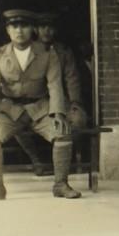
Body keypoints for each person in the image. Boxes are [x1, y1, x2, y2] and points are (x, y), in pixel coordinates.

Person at [0, 9, 81, 200]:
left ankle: (61, 184)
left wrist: (58, 113)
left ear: (32, 29)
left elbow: (55, 84)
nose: (19, 31)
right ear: (8, 30)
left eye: (24, 26)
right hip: (10, 110)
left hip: (39, 108)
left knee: (63, 133)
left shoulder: (47, 54)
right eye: (14, 26)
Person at [15, 11, 88, 175]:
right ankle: (37, 161)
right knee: (14, 121)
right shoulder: (27, 50)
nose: (46, 31)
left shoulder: (63, 51)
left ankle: (66, 163)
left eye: (50, 27)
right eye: (42, 26)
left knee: (77, 119)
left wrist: (75, 102)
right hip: (36, 101)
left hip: (60, 100)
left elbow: (72, 78)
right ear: (35, 29)